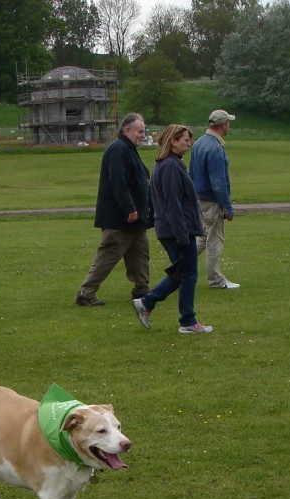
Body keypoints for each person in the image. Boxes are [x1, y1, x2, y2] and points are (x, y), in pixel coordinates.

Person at [131, 125, 213, 334]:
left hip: (177, 229)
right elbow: (172, 203)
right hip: (176, 231)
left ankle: (147, 303)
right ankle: (187, 321)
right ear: (173, 141)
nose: (188, 143)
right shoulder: (169, 166)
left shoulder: (172, 164)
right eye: (185, 139)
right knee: (187, 274)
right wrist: (182, 234)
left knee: (182, 273)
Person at [76, 113, 152, 307]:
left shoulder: (129, 149)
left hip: (136, 219)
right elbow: (119, 182)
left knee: (140, 253)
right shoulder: (118, 150)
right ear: (126, 130)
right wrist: (130, 209)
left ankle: (141, 289)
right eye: (140, 131)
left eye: (143, 131)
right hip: (120, 219)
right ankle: (86, 293)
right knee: (109, 255)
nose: (143, 135)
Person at [190, 109, 240, 289]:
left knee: (202, 238)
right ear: (223, 124)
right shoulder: (215, 148)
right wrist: (227, 207)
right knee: (214, 240)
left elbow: (192, 173)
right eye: (228, 122)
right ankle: (216, 280)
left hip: (199, 199)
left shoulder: (199, 143)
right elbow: (218, 183)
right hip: (211, 201)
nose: (229, 125)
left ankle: (178, 266)